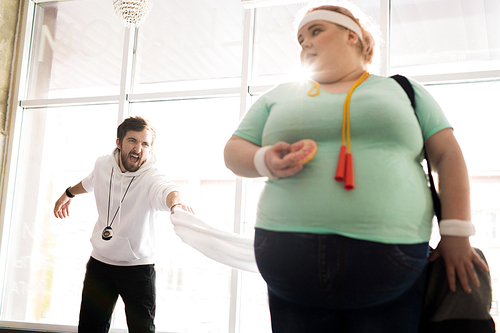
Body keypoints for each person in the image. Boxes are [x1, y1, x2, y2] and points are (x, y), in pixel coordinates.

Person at [224, 4, 489, 333]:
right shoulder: (279, 96)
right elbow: (234, 151)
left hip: (390, 266)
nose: (304, 43)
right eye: (300, 38)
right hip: (288, 261)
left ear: (352, 35)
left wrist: (456, 233)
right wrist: (264, 159)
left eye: (316, 31)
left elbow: (448, 156)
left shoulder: (403, 91)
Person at [54, 116, 193, 333]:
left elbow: (168, 191)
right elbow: (91, 181)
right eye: (132, 141)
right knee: (90, 328)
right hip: (100, 264)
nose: (138, 148)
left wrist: (177, 205)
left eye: (145, 144)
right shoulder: (103, 164)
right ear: (119, 143)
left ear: (150, 149)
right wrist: (69, 193)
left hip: (137, 267)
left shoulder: (151, 177)